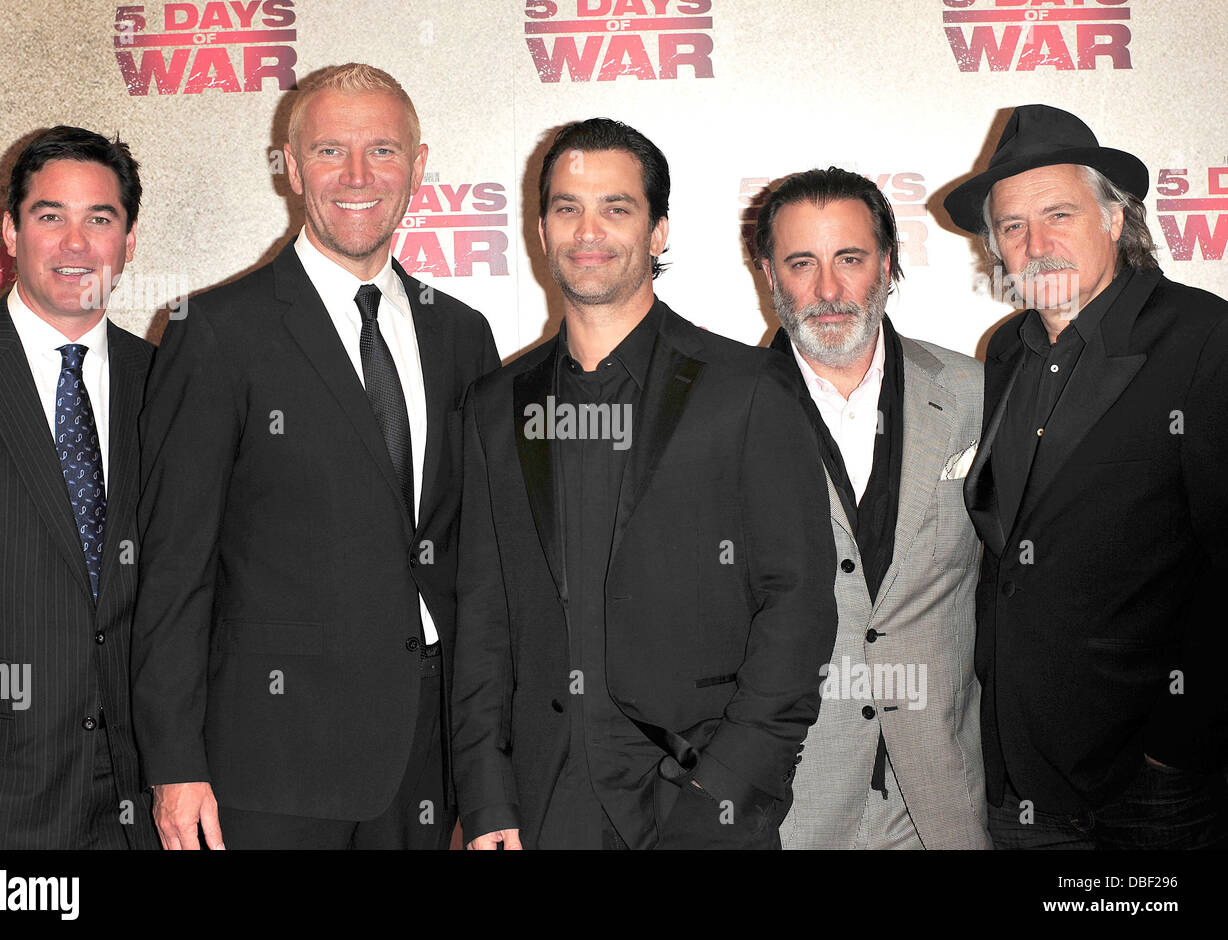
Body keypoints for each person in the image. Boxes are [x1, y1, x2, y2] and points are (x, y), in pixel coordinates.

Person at [132, 63, 498, 850]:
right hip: (270, 766)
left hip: (428, 754)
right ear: (292, 168)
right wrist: (174, 763)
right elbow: (172, 566)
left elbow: (479, 555)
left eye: (383, 151)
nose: (358, 176)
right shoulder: (216, 331)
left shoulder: (461, 334)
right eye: (330, 151)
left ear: (419, 166)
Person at [451, 118, 837, 850]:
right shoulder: (494, 408)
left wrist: (727, 789)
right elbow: (483, 622)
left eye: (616, 208)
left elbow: (799, 608)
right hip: (541, 811)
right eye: (567, 207)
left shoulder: (748, 390)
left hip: (696, 804)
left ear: (659, 232)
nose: (588, 230)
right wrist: (488, 801)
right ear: (540, 230)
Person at [944, 103, 1228, 849]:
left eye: (1059, 213)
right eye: (1012, 226)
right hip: (1017, 767)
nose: (1036, 244)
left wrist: (1177, 743)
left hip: (1148, 784)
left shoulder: (1203, 338)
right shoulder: (1004, 350)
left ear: (1114, 218)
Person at [0, 126, 155, 848]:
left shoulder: (171, 387)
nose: (75, 243)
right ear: (8, 230)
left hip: (143, 806)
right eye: (50, 216)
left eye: (101, 219)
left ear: (129, 239)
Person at [755, 168, 990, 849]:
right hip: (789, 805)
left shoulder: (977, 395)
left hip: (940, 802)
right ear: (769, 273)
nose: (828, 291)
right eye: (802, 263)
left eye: (850, 259)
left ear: (887, 264)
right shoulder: (721, 412)